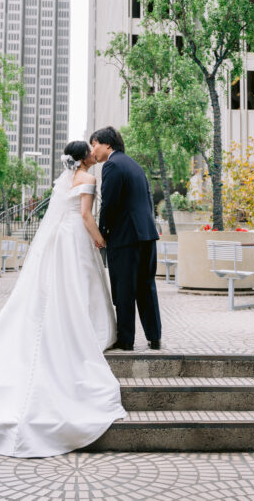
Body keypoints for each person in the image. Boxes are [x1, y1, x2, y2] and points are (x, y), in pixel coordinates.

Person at [0, 140, 125, 458]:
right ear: (83, 159)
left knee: (63, 285)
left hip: (59, 236)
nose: (93, 152)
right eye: (88, 151)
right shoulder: (88, 179)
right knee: (81, 284)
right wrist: (100, 239)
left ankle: (63, 323)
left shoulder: (64, 181)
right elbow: (86, 216)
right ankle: (86, 331)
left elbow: (57, 214)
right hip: (76, 236)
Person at [89, 126, 162, 351]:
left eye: (95, 145)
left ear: (107, 144)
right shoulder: (135, 165)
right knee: (146, 286)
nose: (93, 151)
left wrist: (102, 233)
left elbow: (109, 203)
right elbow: (147, 201)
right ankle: (154, 337)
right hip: (147, 234)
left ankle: (126, 340)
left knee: (124, 288)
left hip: (125, 237)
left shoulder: (111, 165)